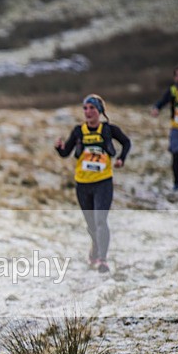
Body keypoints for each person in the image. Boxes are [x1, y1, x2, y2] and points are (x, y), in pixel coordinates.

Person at [55, 94, 131, 274]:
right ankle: (95, 246)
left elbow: (126, 142)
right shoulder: (78, 131)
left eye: (92, 108)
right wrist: (59, 148)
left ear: (100, 111)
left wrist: (121, 159)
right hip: (82, 184)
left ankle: (102, 260)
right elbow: (66, 153)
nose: (88, 112)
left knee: (100, 221)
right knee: (91, 224)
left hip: (103, 182)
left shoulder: (109, 130)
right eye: (85, 108)